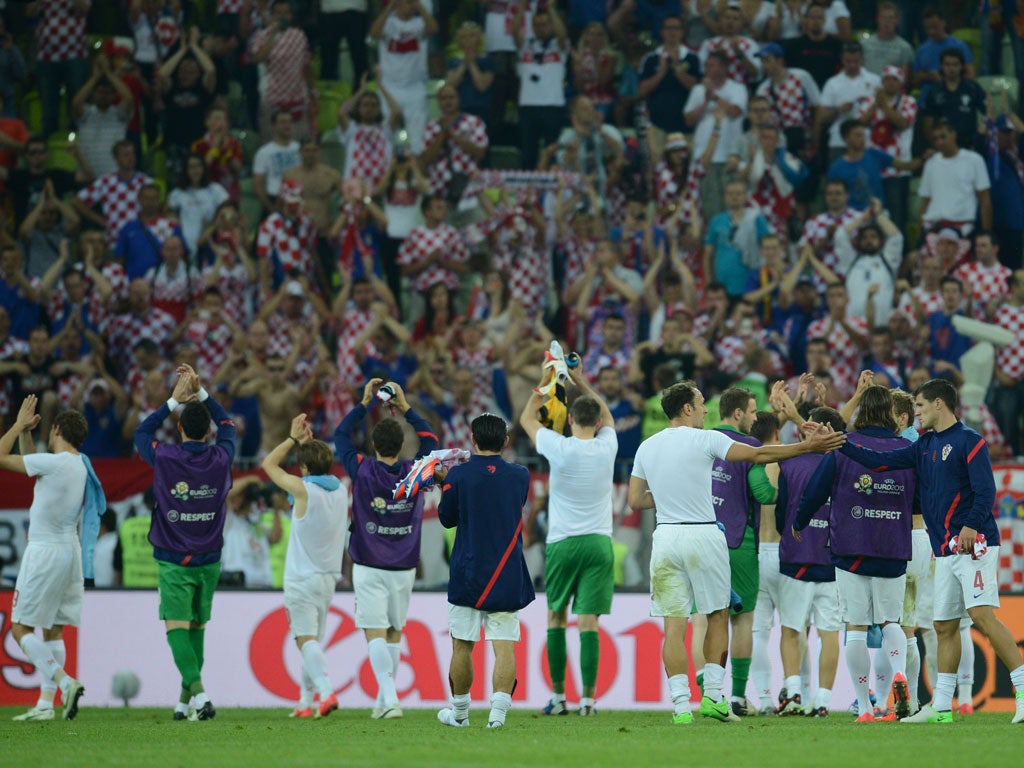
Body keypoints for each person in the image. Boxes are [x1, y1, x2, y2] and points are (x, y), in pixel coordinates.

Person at [627, 381, 845, 724]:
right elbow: (758, 455)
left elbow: (636, 500)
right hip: (702, 534)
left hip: (666, 536)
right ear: (687, 408)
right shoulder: (707, 439)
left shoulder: (646, 447)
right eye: (700, 404)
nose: (705, 411)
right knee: (717, 615)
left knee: (675, 624)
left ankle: (681, 706)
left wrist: (671, 494)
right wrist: (806, 447)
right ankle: (713, 697)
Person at [838, 378, 1024, 724]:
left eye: (920, 406)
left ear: (939, 404)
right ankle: (940, 706)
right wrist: (841, 444)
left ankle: (1022, 687)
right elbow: (880, 461)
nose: (916, 413)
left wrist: (969, 526)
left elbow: (986, 492)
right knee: (944, 626)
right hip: (945, 549)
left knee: (982, 615)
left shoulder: (970, 441)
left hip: (975, 545)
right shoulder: (923, 446)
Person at [798, 382, 916, 721]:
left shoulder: (843, 446)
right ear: (892, 414)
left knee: (857, 627)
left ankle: (864, 706)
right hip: (893, 545)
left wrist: (801, 519)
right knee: (890, 621)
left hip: (851, 544)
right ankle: (898, 675)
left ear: (862, 411)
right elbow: (920, 498)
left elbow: (817, 489)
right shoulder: (907, 450)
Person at [133, 363, 236, 722]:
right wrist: (202, 393)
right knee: (196, 630)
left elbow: (140, 433)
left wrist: (172, 400)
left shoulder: (165, 455)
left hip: (175, 558)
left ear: (179, 429)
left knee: (177, 628)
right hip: (209, 558)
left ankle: (201, 696)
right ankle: (184, 702)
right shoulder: (222, 457)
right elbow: (228, 425)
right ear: (208, 431)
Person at [334, 378, 439, 719]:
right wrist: (406, 406)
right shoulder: (416, 471)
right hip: (404, 567)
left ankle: (390, 698)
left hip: (368, 564)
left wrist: (366, 404)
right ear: (401, 444)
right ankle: (385, 700)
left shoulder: (362, 468)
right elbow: (431, 441)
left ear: (374, 444)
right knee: (394, 631)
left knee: (374, 631)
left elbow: (339, 436)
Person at [520, 365, 617, 717]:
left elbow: (526, 419)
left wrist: (548, 381)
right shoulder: (608, 445)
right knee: (589, 624)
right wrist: (580, 381)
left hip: (563, 542)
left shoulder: (557, 446)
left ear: (571, 417)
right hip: (598, 543)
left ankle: (559, 698)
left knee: (556, 619)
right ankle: (588, 702)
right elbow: (604, 412)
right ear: (597, 422)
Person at [436, 413, 535, 729]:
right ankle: (498, 715)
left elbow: (447, 519)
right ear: (506, 442)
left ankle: (461, 715)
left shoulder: (458, 476)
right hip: (506, 571)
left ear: (472, 440)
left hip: (468, 570)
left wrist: (445, 484)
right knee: (504, 644)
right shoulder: (521, 475)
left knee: (462, 644)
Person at [2, 396, 97, 722]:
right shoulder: (78, 464)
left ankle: (64, 682)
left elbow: (1, 457)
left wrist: (16, 425)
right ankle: (45, 704)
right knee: (53, 631)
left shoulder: (56, 463)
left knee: (20, 628)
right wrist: (28, 433)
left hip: (44, 551)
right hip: (70, 552)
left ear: (55, 429)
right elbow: (33, 466)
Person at [262, 413, 347, 719]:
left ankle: (326, 693)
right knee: (312, 641)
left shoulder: (302, 490)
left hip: (301, 579)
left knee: (305, 640)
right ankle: (304, 703)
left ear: (305, 468)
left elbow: (268, 465)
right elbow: (318, 474)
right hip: (327, 579)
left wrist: (294, 439)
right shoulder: (340, 491)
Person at [705, 387, 777, 717]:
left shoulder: (699, 440)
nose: (755, 417)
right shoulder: (749, 447)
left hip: (701, 539)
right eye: (751, 411)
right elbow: (763, 493)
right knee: (742, 620)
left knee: (704, 619)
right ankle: (735, 696)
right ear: (737, 414)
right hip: (738, 542)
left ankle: (707, 691)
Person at [773, 404, 845, 717]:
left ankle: (792, 692)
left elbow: (781, 514)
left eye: (811, 424)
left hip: (797, 556)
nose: (805, 427)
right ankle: (824, 701)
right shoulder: (846, 463)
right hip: (834, 559)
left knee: (791, 629)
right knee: (829, 633)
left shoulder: (791, 463)